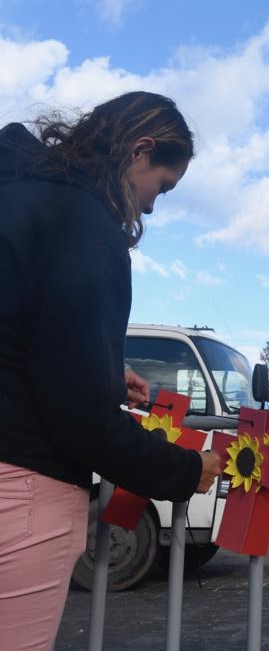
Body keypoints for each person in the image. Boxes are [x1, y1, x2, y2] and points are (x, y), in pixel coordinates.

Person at [0, 91, 222, 650]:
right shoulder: (87, 230)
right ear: (139, 150)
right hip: (21, 486)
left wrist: (98, 365)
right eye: (162, 187)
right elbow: (85, 421)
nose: (151, 208)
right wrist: (184, 469)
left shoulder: (15, 197)